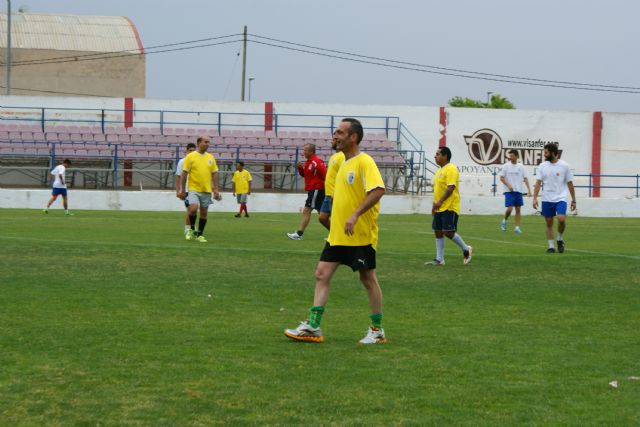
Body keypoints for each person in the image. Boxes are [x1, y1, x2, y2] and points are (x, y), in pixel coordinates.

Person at [285, 118, 387, 345]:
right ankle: (313, 326)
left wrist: (354, 215)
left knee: (368, 278)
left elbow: (378, 190)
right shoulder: (341, 162)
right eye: (335, 132)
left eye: (340, 132)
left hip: (359, 235)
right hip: (338, 235)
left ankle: (377, 329)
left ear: (353, 137)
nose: (335, 136)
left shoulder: (364, 162)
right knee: (321, 273)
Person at [425, 146, 473, 266]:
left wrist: (440, 202)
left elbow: (451, 187)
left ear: (445, 156)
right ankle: (439, 259)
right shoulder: (438, 171)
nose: (435, 156)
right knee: (437, 231)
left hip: (450, 206)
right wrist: (434, 205)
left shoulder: (451, 169)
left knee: (447, 231)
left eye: (438, 154)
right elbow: (437, 190)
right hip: (439, 207)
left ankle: (466, 249)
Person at [532, 143, 576, 253]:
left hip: (560, 197)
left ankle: (560, 239)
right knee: (549, 222)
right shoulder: (542, 166)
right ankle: (551, 247)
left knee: (561, 219)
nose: (544, 155)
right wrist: (534, 198)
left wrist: (574, 200)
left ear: (553, 153)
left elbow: (570, 183)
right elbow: (538, 183)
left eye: (546, 152)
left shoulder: (564, 166)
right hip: (546, 198)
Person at [178, 136, 221, 243]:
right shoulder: (191, 157)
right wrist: (183, 190)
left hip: (206, 189)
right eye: (205, 142)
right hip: (193, 188)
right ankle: (192, 228)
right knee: (192, 209)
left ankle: (199, 235)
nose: (207, 144)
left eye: (208, 142)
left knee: (204, 213)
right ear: (199, 143)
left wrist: (216, 189)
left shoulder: (211, 157)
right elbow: (184, 174)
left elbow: (215, 173)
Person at [286, 143, 327, 240]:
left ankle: (299, 234)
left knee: (306, 210)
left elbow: (325, 174)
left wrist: (320, 186)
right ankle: (336, 234)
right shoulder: (309, 162)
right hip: (313, 190)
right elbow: (306, 175)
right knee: (322, 214)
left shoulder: (316, 162)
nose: (303, 152)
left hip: (316, 189)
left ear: (311, 151)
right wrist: (300, 168)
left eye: (305, 150)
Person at [499, 149, 532, 233]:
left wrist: (529, 190)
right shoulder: (506, 166)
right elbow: (501, 178)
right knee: (510, 209)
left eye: (512, 155)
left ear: (517, 156)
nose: (510, 157)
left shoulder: (521, 167)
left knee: (518, 209)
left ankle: (517, 228)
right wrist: (509, 185)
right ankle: (504, 220)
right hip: (509, 191)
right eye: (510, 156)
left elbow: (525, 178)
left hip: (518, 191)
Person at [318, 130, 345, 230]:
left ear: (338, 141)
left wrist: (337, 193)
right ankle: (334, 234)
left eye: (333, 140)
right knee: (322, 218)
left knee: (337, 219)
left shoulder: (342, 156)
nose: (331, 142)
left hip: (335, 194)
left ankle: (338, 238)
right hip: (328, 193)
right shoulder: (334, 156)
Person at [175, 143, 196, 236]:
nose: (192, 152)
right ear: (186, 151)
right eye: (190, 150)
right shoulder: (182, 162)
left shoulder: (197, 161)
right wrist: (178, 190)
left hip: (195, 189)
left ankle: (191, 227)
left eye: (193, 150)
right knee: (189, 209)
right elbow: (178, 176)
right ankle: (188, 228)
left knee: (193, 210)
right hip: (186, 190)